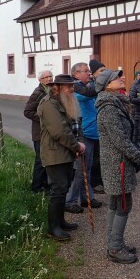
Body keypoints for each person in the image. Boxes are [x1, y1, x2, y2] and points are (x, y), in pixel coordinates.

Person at [95, 69, 140, 264]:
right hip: (118, 164)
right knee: (123, 204)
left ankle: (114, 242)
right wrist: (138, 158)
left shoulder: (116, 102)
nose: (122, 78)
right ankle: (115, 248)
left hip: (120, 162)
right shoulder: (108, 108)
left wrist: (136, 157)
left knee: (118, 203)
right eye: (117, 78)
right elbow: (120, 140)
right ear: (107, 85)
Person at [37, 74, 86, 241]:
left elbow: (74, 124)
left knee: (63, 188)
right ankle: (53, 228)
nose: (72, 89)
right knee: (58, 190)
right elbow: (60, 131)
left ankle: (61, 221)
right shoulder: (49, 104)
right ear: (56, 87)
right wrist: (76, 146)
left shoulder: (63, 101)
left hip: (65, 152)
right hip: (54, 153)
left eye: (72, 86)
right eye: (68, 87)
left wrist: (77, 144)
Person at [65, 62, 102, 214]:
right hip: (84, 133)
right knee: (80, 170)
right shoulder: (76, 89)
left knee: (88, 168)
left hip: (92, 133)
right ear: (76, 74)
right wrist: (98, 80)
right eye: (85, 71)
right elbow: (89, 95)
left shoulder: (86, 87)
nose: (89, 73)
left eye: (89, 71)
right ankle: (70, 201)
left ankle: (87, 197)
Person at [23, 69, 52, 193]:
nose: (49, 79)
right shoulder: (38, 93)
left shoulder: (50, 91)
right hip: (39, 133)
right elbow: (27, 112)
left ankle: (45, 185)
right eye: (46, 77)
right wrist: (42, 118)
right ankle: (36, 187)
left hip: (47, 131)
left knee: (47, 159)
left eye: (50, 76)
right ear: (40, 80)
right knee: (40, 160)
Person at [88, 59, 106, 194]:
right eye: (101, 71)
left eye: (105, 70)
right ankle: (94, 183)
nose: (103, 73)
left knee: (101, 156)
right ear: (93, 74)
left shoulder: (104, 85)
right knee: (94, 157)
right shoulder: (90, 87)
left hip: (101, 124)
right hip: (92, 126)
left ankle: (100, 180)